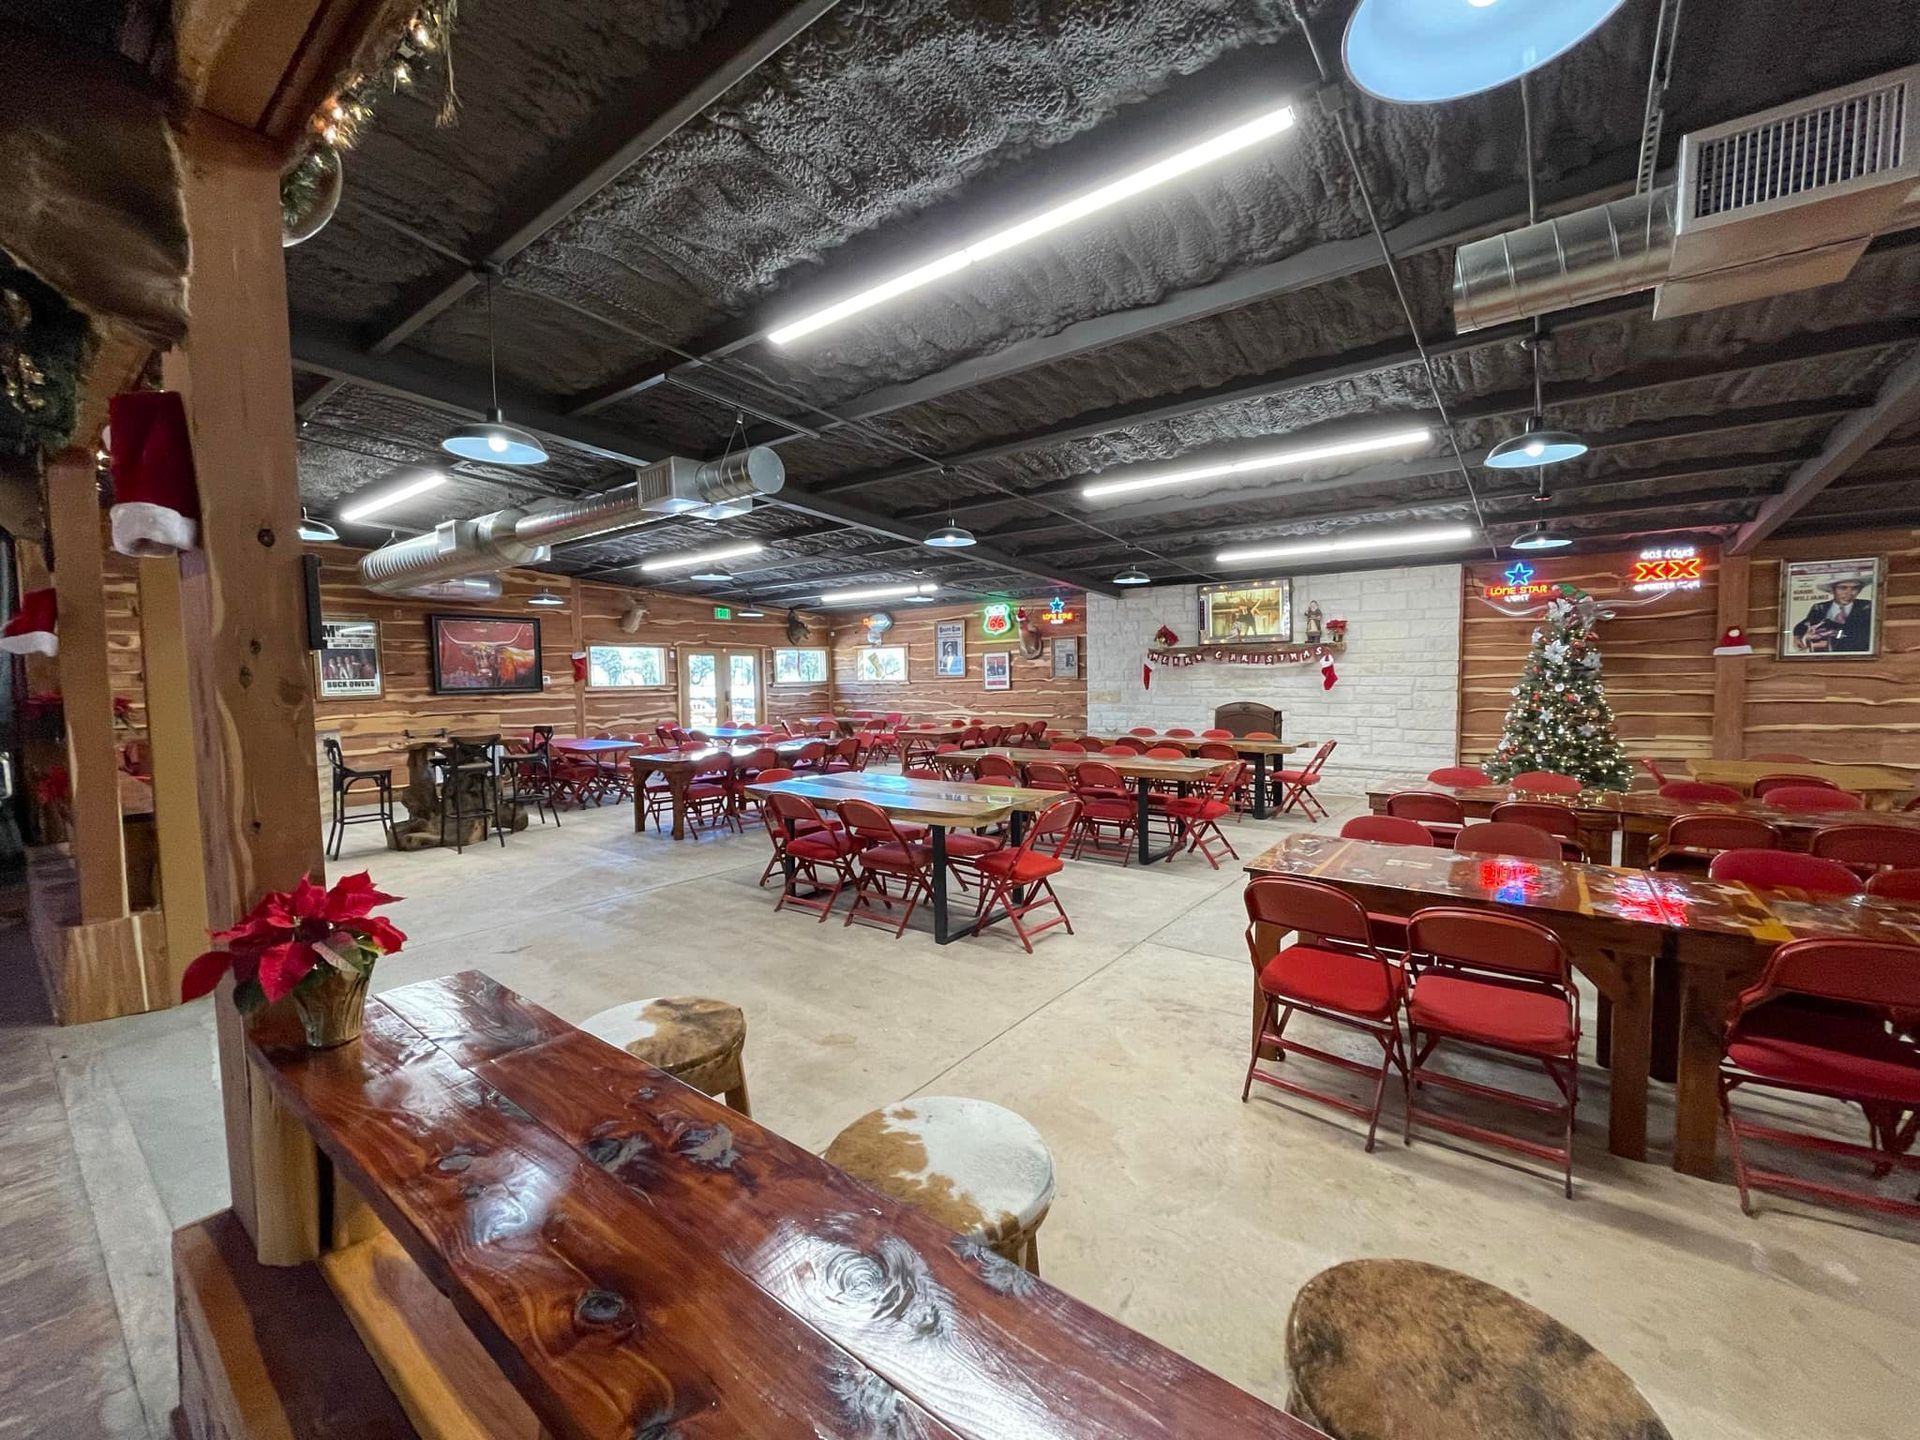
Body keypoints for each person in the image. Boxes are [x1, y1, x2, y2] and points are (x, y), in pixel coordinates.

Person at [1791, 574, 1874, 653]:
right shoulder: (1820, 607)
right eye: (1843, 588)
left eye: (1855, 588)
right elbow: (1805, 624)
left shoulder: (1867, 607)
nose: (1849, 593)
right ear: (1832, 589)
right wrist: (1798, 636)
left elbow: (1860, 633)